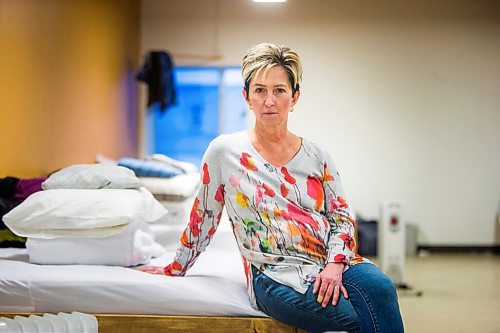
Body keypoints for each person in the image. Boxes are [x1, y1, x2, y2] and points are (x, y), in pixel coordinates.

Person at [139, 43, 404, 333]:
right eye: (260, 90)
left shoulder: (317, 155)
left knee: (381, 289)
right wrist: (175, 267)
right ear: (247, 97)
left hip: (329, 259)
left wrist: (334, 265)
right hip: (273, 273)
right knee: (350, 317)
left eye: (279, 90)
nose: (269, 101)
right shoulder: (224, 152)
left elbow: (340, 218)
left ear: (294, 97)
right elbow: (204, 217)